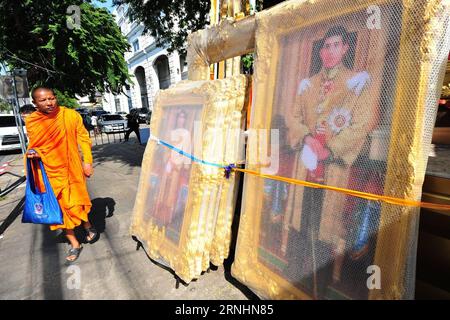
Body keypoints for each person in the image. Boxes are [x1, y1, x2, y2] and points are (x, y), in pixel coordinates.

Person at [280, 25, 380, 293]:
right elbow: (294, 117)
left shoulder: (357, 83)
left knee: (325, 230)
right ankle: (293, 282)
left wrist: (331, 148)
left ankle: (318, 288)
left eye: (336, 45)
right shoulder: (308, 84)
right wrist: (308, 139)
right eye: (326, 46)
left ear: (345, 48)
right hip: (306, 166)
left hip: (334, 169)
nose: (329, 51)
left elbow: (360, 125)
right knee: (301, 224)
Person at [24, 86, 98, 264]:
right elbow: (35, 145)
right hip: (49, 173)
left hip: (72, 168)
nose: (49, 102)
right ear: (35, 103)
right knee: (59, 209)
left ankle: (86, 224)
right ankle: (74, 243)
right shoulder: (33, 121)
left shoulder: (70, 115)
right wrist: (34, 153)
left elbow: (83, 138)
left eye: (51, 98)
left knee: (76, 203)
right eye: (43, 100)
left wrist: (87, 161)